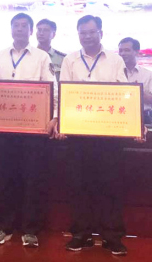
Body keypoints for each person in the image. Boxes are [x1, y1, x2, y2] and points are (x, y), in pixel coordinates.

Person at [0, 13, 56, 248]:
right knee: (4, 179)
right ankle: (2, 228)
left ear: (31, 31)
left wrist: (55, 116)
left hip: (33, 130)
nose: (19, 29)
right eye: (16, 25)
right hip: (2, 130)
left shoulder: (42, 57)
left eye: (24, 26)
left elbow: (52, 90)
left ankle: (30, 230)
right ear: (11, 29)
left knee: (32, 180)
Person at [55, 15, 131, 256]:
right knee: (79, 185)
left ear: (101, 33)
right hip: (78, 135)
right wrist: (61, 122)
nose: (87, 36)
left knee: (110, 186)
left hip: (108, 135)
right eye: (83, 33)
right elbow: (64, 93)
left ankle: (112, 236)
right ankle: (81, 234)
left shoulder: (115, 60)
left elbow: (124, 93)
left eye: (91, 32)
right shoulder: (70, 60)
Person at [118, 37, 152, 123]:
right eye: (120, 51)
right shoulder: (114, 73)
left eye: (127, 50)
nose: (123, 53)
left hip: (142, 117)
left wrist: (138, 91)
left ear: (136, 52)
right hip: (117, 115)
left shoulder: (148, 75)